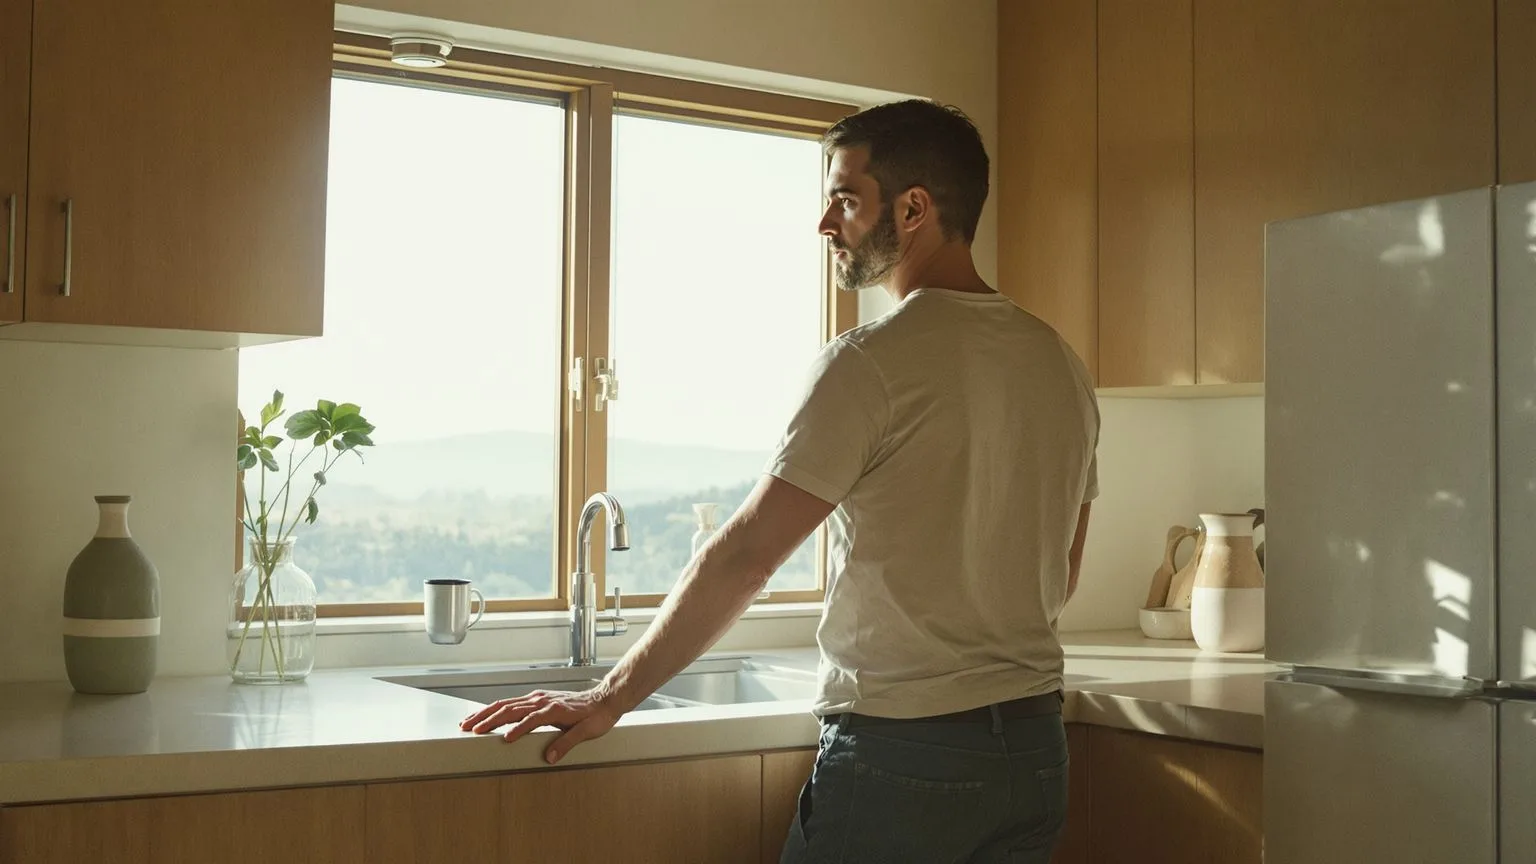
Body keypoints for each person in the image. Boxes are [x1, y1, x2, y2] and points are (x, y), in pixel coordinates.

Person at [460, 99, 1100, 863]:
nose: (826, 224)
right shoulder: (1060, 363)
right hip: (1033, 756)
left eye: (845, 199)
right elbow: (1059, 571)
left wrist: (609, 697)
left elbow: (746, 557)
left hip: (905, 758)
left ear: (914, 207)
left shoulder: (870, 361)